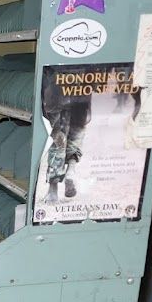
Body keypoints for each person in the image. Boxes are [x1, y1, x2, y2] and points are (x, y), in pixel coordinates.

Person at [40, 66, 92, 201]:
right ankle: (71, 171)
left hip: (55, 88)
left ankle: (53, 189)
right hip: (81, 86)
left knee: (58, 139)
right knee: (76, 132)